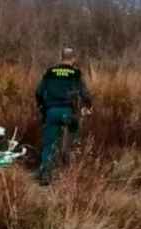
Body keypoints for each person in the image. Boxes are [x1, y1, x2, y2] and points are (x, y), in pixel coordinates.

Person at [35, 47, 93, 185]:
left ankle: (45, 175)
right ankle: (72, 175)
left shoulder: (50, 72)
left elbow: (38, 92)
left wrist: (41, 107)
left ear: (61, 57)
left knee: (49, 145)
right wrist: (88, 106)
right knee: (73, 142)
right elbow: (84, 93)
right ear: (73, 59)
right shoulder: (75, 73)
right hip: (68, 112)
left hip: (51, 112)